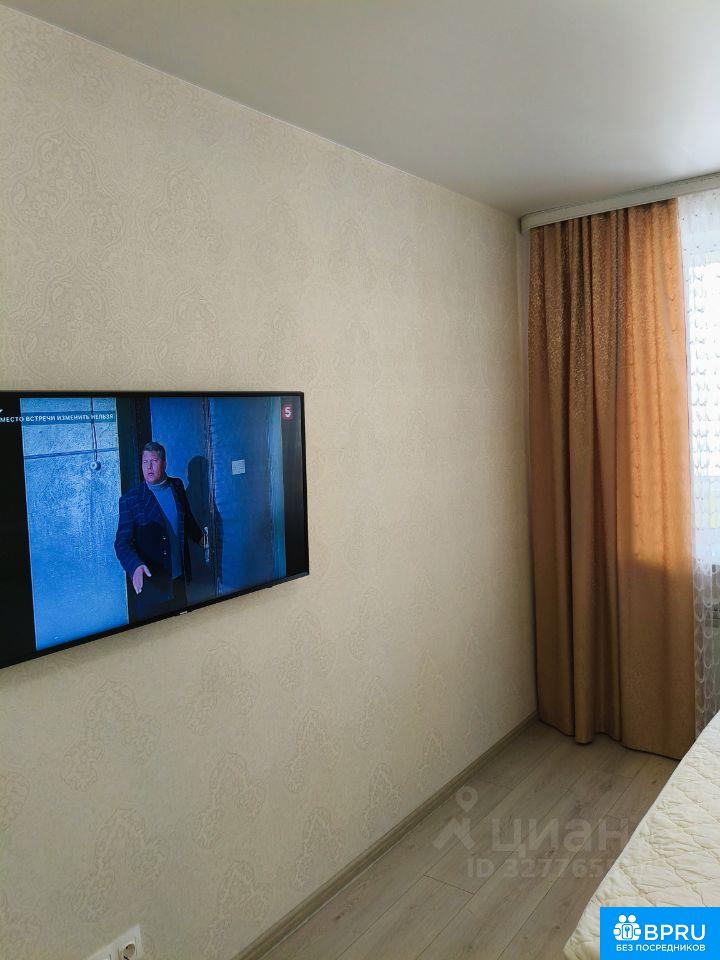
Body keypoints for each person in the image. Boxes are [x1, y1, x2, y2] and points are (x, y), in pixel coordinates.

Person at [114, 441, 204, 620]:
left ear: (164, 463)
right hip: (152, 585)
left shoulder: (177, 486)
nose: (148, 467)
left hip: (178, 581)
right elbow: (121, 543)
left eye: (153, 461)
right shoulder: (130, 500)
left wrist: (202, 539)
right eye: (144, 462)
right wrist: (135, 566)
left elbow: (186, 519)